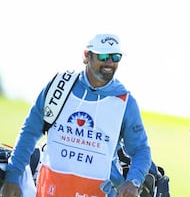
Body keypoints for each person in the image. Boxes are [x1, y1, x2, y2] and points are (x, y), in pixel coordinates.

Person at [1, 34, 152, 197]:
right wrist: (13, 176)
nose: (110, 62)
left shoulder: (125, 102)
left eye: (116, 57)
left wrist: (133, 181)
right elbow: (30, 132)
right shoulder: (59, 86)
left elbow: (141, 150)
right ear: (87, 56)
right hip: (50, 190)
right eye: (103, 56)